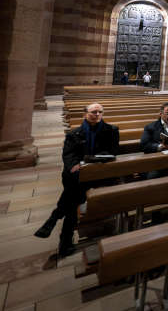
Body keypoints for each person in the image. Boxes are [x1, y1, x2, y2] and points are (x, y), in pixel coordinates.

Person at [34, 103, 119, 257]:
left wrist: (86, 162)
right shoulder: (74, 134)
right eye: (94, 112)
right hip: (77, 176)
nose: (97, 114)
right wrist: (74, 164)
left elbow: (112, 152)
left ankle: (56, 222)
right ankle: (64, 240)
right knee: (74, 194)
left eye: (100, 112)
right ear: (85, 114)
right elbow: (68, 156)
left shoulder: (112, 130)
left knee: (72, 197)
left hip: (99, 173)